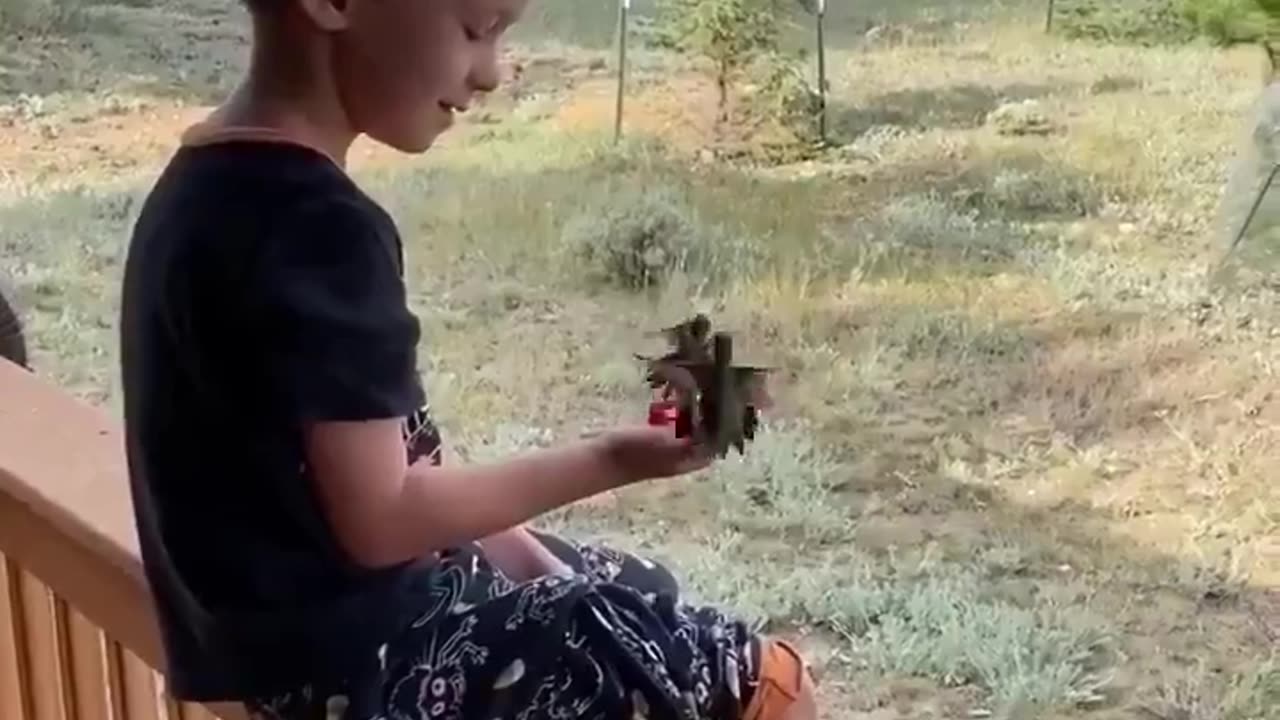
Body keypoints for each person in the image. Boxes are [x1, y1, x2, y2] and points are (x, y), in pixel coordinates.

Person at [117, 0, 819, 719]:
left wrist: (543, 579)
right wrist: (616, 458)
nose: (491, 73)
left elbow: (399, 472)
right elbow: (384, 519)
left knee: (644, 591)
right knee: (761, 682)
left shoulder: (200, 189)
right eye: (475, 30)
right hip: (358, 662)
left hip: (276, 653)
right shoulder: (318, 230)